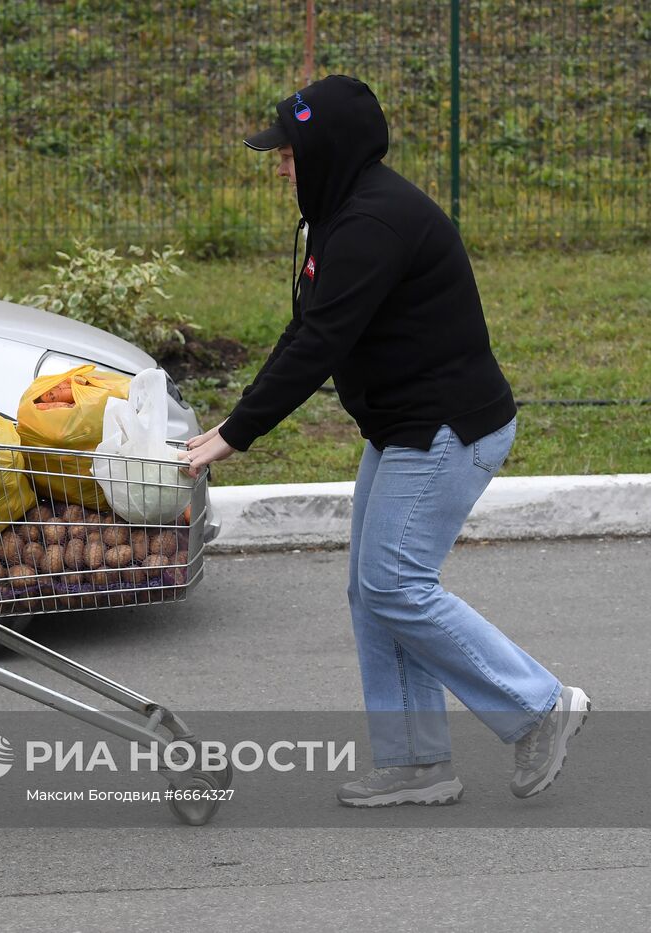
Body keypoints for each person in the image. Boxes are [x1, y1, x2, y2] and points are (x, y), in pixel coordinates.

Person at [183, 75, 590, 807]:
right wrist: (231, 424)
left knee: (395, 582)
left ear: (326, 150)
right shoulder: (338, 214)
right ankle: (415, 761)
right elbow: (306, 330)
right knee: (375, 591)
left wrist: (237, 437)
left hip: (446, 428)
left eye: (288, 152)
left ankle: (539, 706)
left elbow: (321, 344)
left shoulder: (372, 225)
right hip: (407, 424)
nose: (279, 165)